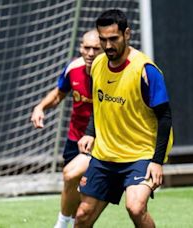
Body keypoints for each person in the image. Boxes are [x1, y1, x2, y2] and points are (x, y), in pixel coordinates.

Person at [74, 9, 173, 228]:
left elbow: (165, 117)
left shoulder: (146, 70)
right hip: (105, 155)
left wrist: (157, 161)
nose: (108, 45)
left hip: (141, 154)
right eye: (103, 40)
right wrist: (90, 132)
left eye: (113, 39)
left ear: (127, 34)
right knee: (82, 215)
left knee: (136, 207)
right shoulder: (98, 65)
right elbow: (98, 105)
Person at [30, 29, 103, 228]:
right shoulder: (73, 68)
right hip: (75, 139)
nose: (90, 53)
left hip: (103, 143)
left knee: (73, 178)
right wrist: (40, 107)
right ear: (80, 47)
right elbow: (59, 94)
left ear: (105, 48)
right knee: (73, 184)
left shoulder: (112, 73)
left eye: (95, 48)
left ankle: (61, 225)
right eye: (86, 47)